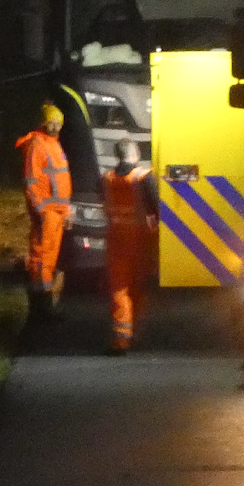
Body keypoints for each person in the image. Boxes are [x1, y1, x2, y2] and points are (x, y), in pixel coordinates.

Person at [16, 103, 73, 316]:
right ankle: (40, 308)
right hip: (46, 213)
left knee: (49, 259)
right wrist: (40, 210)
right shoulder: (37, 146)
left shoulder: (54, 145)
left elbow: (62, 182)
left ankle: (45, 307)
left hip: (56, 213)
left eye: (58, 123)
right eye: (52, 123)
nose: (56, 127)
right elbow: (30, 182)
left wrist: (66, 211)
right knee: (41, 259)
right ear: (44, 122)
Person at [103, 141, 156, 352]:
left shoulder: (106, 179)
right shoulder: (143, 177)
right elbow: (155, 206)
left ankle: (121, 337)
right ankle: (133, 334)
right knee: (138, 287)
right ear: (134, 154)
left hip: (115, 239)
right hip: (140, 240)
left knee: (119, 288)